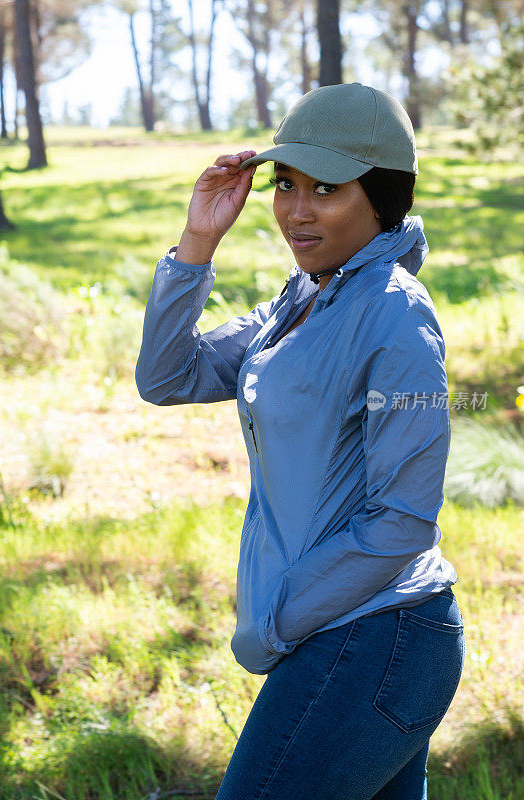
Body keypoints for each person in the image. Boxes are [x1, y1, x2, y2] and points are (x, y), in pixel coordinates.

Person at [135, 82, 466, 800]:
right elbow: (168, 376)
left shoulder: (394, 317)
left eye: (325, 187)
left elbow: (403, 519)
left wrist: (275, 621)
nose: (296, 209)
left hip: (377, 634)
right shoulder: (302, 299)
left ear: (380, 197)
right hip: (349, 633)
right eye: (284, 185)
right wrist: (197, 242)